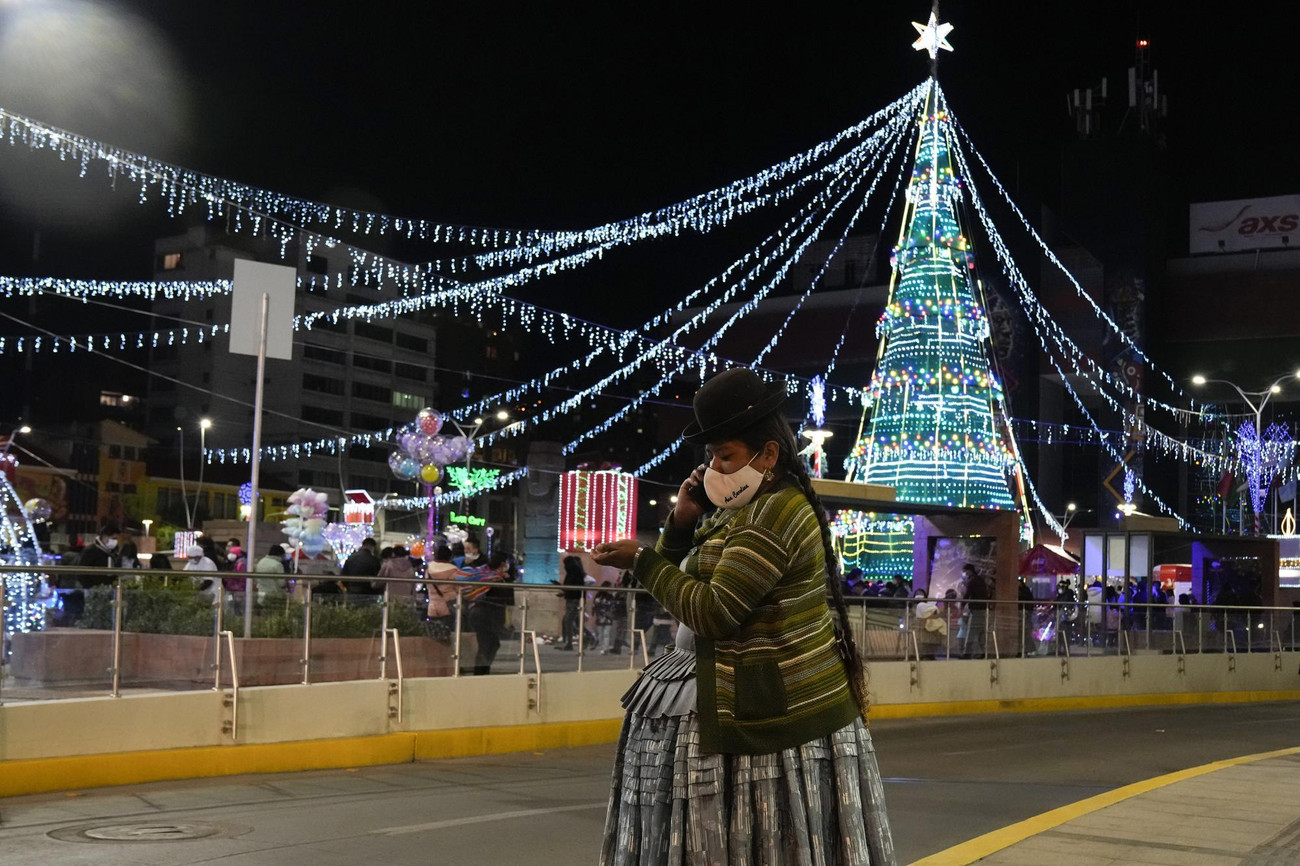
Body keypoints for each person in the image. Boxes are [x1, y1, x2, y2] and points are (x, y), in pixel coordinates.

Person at [591, 367, 894, 865]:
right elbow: (685, 579)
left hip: (772, 715)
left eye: (725, 455)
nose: (715, 467)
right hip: (746, 703)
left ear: (768, 454)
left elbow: (714, 610)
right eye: (711, 456)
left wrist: (641, 561)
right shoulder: (740, 511)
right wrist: (683, 521)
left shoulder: (775, 513)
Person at [557, 555, 586, 650]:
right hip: (572, 599)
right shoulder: (576, 573)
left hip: (574, 600)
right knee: (568, 621)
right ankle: (569, 642)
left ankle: (575, 640)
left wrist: (560, 587)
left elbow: (571, 588)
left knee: (569, 621)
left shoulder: (574, 574)